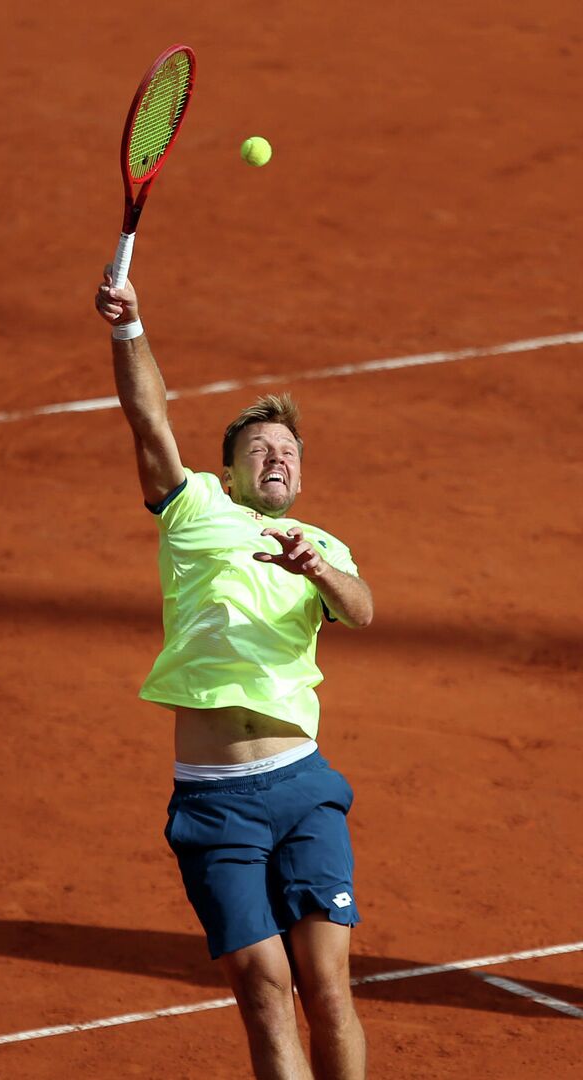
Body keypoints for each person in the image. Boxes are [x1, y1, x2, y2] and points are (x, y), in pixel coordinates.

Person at [95, 267, 374, 1080]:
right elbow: (147, 418)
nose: (278, 455)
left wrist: (315, 567)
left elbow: (360, 609)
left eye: (289, 450)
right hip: (215, 801)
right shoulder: (194, 513)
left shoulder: (325, 546)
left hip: (302, 784)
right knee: (264, 986)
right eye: (261, 448)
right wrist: (128, 326)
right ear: (228, 472)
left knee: (327, 985)